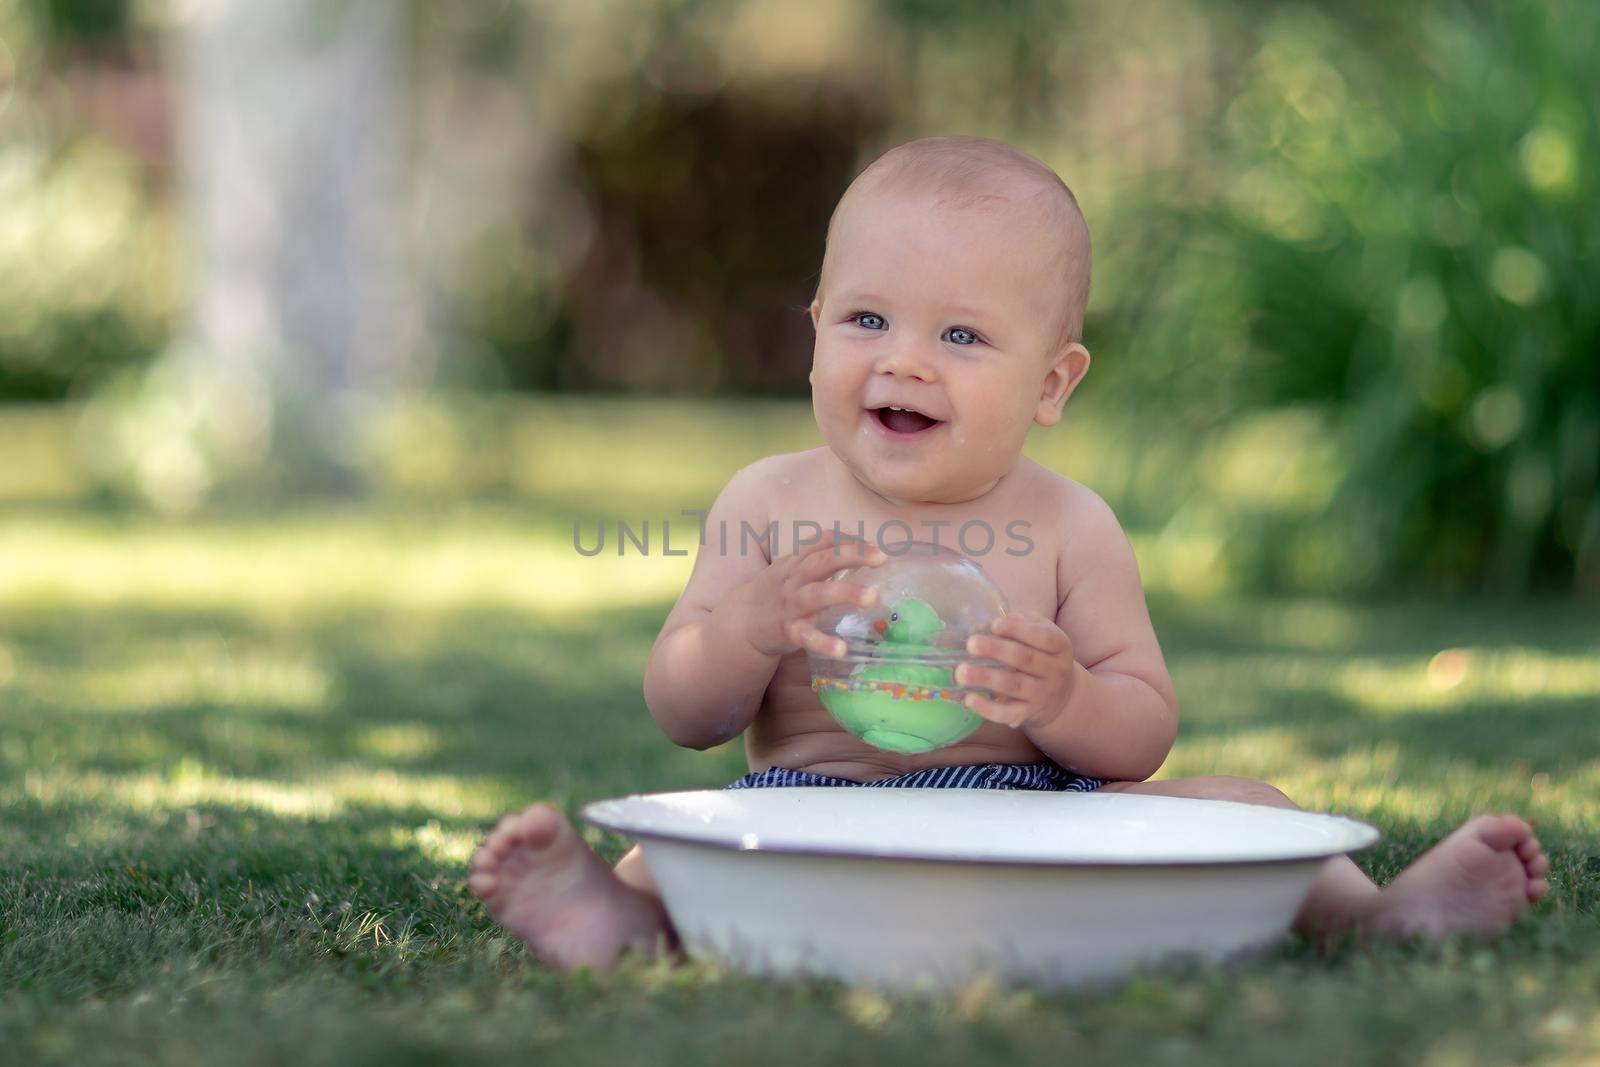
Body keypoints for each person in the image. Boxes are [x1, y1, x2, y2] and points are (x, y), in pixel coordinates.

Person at [469, 135, 1548, 972]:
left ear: (1050, 384)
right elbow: (683, 711)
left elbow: (1139, 732)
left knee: (1254, 808)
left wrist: (1062, 693)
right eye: (865, 318)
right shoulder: (766, 502)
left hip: (1032, 820)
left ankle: (1381, 917)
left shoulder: (1071, 524)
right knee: (668, 840)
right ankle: (617, 923)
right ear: (812, 335)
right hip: (811, 808)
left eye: (960, 336)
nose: (904, 360)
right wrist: (749, 624)